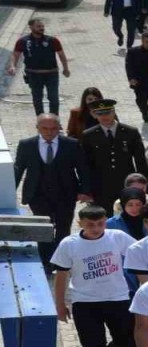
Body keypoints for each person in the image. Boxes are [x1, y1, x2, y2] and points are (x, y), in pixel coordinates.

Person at [51, 206, 137, 347]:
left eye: (100, 223)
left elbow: (141, 251)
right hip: (85, 303)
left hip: (118, 297)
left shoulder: (117, 237)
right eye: (91, 225)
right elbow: (61, 276)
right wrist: (60, 305)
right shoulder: (69, 244)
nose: (96, 228)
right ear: (80, 223)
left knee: (128, 336)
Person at [15, 114, 92, 268]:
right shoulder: (26, 145)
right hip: (37, 194)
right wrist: (9, 192)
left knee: (63, 228)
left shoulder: (71, 144)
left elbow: (83, 169)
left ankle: (61, 262)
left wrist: (85, 190)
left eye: (53, 128)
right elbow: (18, 169)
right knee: (43, 228)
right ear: (37, 128)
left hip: (66, 194)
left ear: (59, 128)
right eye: (45, 128)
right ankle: (45, 261)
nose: (49, 132)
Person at [81, 99, 148, 209]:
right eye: (100, 114)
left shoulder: (130, 132)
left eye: (107, 113)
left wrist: (142, 183)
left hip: (126, 183)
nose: (104, 116)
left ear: (113, 112)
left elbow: (140, 160)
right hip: (100, 185)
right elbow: (85, 164)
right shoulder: (89, 135)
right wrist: (86, 189)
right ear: (95, 115)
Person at [7, 18, 70, 115]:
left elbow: (61, 55)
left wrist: (65, 68)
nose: (41, 28)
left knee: (54, 99)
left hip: (51, 74)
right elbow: (15, 55)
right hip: (33, 75)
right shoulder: (23, 41)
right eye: (38, 26)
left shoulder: (52, 40)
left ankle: (55, 121)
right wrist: (12, 66)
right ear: (31, 27)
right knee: (37, 99)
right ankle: (40, 121)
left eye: (42, 26)